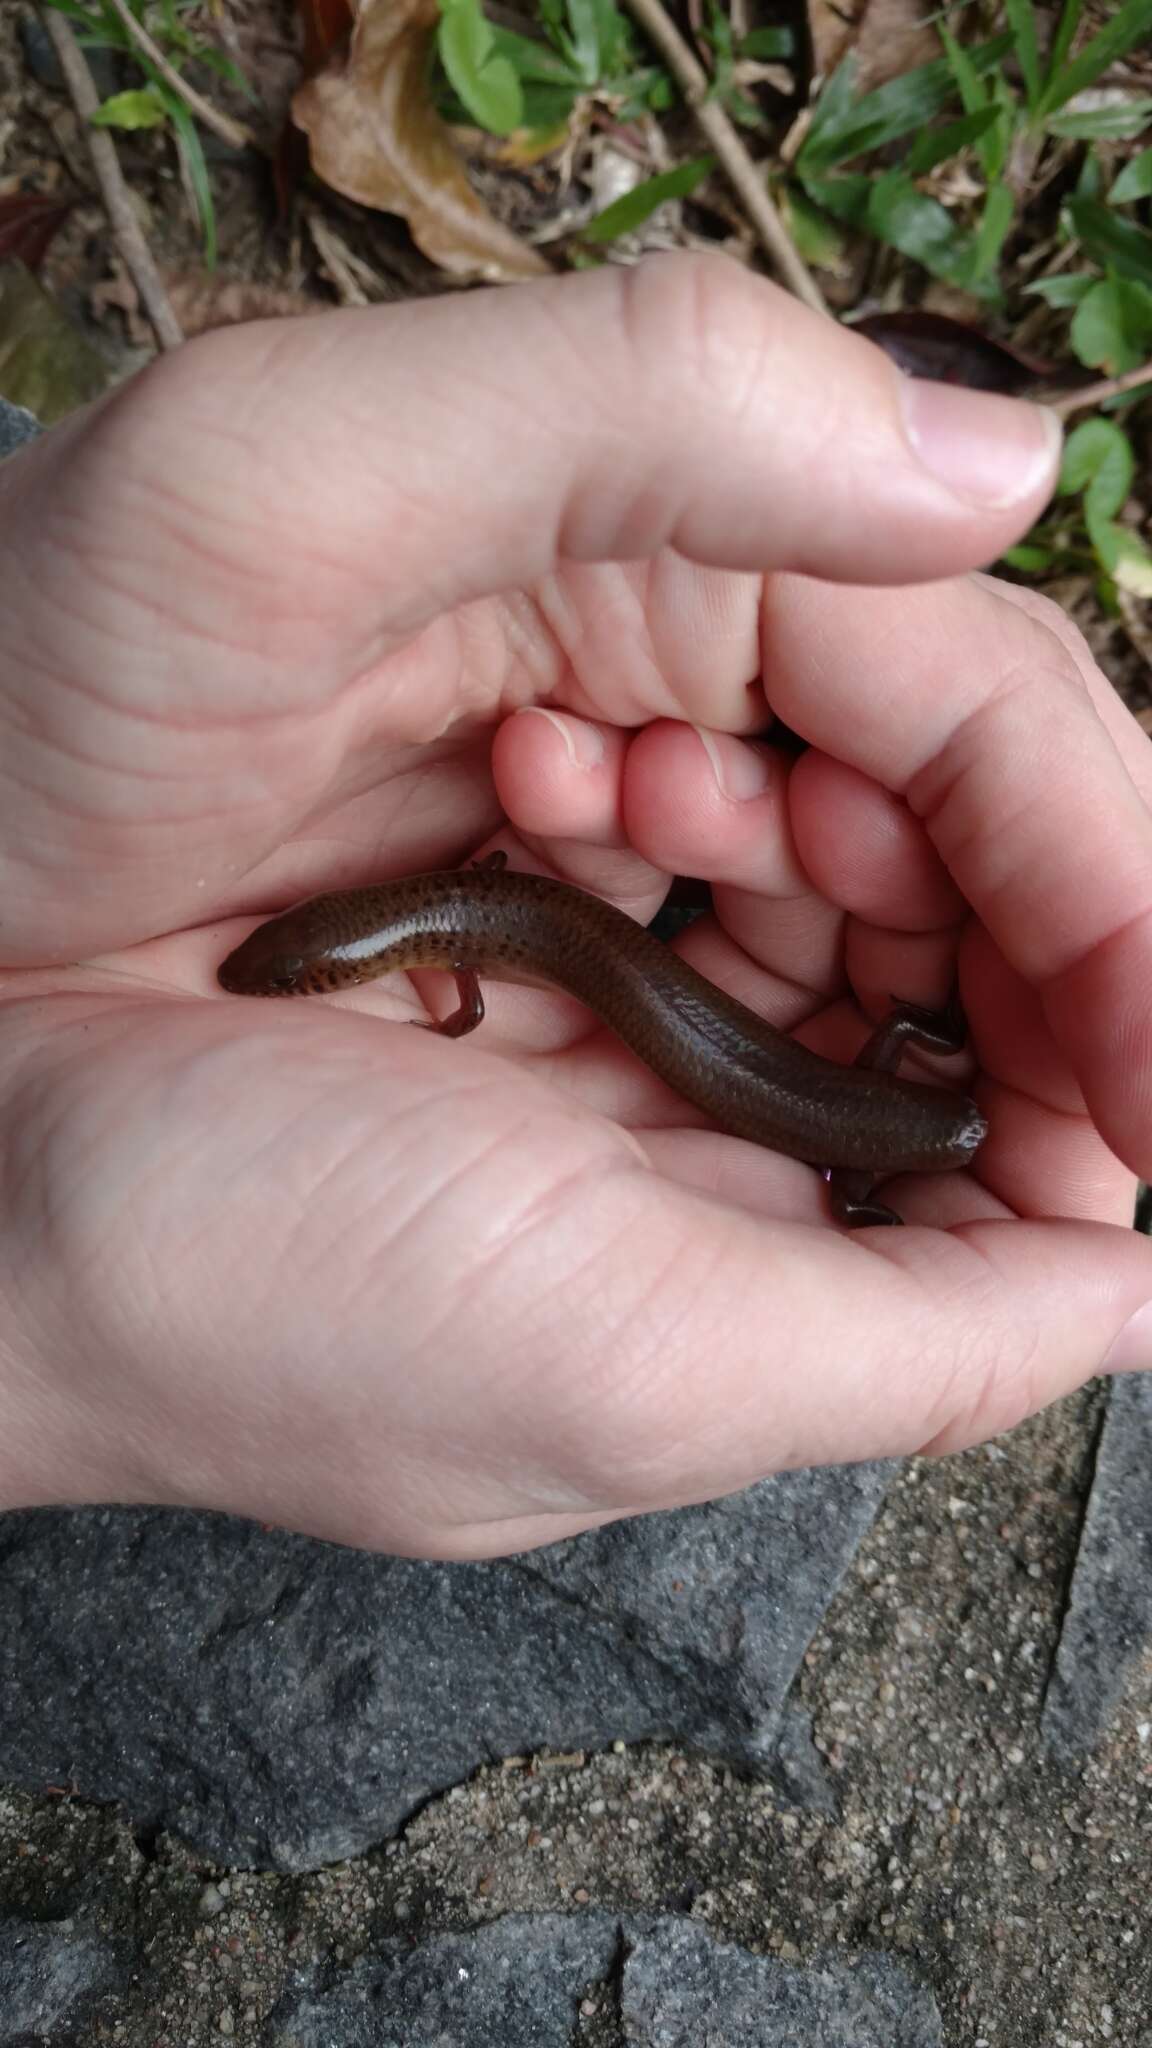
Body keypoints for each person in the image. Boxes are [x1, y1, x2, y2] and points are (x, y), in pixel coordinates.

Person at [0, 254, 1148, 1558]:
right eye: (294, 966)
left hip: (768, 1057)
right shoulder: (858, 1131)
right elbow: (492, 963)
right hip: (746, 1047)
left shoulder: (871, 1122)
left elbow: (489, 965)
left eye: (294, 967)